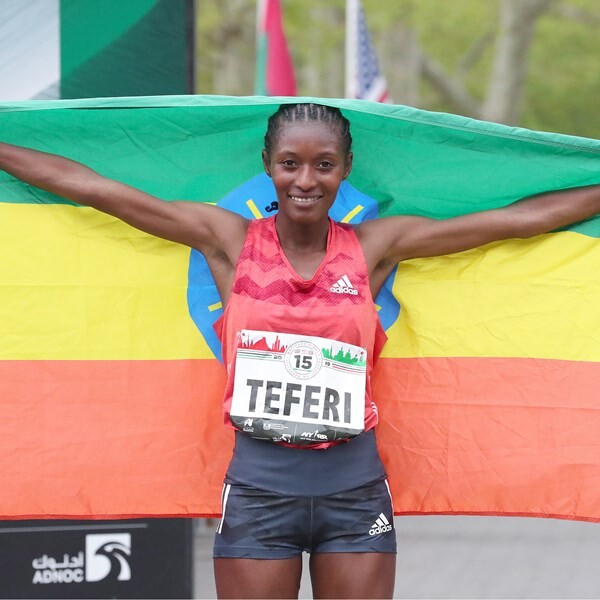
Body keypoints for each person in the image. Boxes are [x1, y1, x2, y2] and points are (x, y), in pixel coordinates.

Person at [1, 102, 599, 599]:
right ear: (268, 166)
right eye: (290, 164)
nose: (306, 180)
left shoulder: (374, 247)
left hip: (355, 495)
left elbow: (513, 222)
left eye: (323, 165)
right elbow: (96, 190)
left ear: (345, 170)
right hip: (259, 494)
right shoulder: (227, 240)